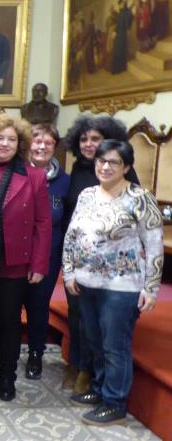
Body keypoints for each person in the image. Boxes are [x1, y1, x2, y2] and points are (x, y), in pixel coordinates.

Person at [63, 139, 163, 426]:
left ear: (127, 167)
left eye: (113, 162)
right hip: (87, 282)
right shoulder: (86, 195)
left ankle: (115, 403)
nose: (105, 167)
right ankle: (98, 390)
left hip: (123, 286)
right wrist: (69, 272)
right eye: (101, 161)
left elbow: (154, 245)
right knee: (94, 341)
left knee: (114, 345)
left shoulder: (140, 198)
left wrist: (151, 287)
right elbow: (72, 236)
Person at [0, 114, 52, 402]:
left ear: (20, 144)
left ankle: (7, 376)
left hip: (15, 262)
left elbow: (43, 223)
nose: (5, 144)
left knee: (10, 322)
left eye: (11, 139)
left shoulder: (35, 176)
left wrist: (39, 264)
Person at [61, 114, 140, 393]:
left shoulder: (121, 172)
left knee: (99, 322)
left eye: (95, 138)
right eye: (84, 139)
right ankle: (77, 363)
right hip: (78, 261)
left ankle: (90, 373)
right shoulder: (79, 170)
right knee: (76, 315)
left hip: (111, 265)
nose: (88, 143)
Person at [23, 123, 70, 380]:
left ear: (55, 147)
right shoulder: (17, 173)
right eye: (36, 141)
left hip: (48, 257)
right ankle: (2, 350)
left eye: (48, 143)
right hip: (16, 254)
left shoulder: (65, 182)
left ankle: (35, 354)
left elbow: (66, 222)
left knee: (38, 306)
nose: (41, 146)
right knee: (7, 306)